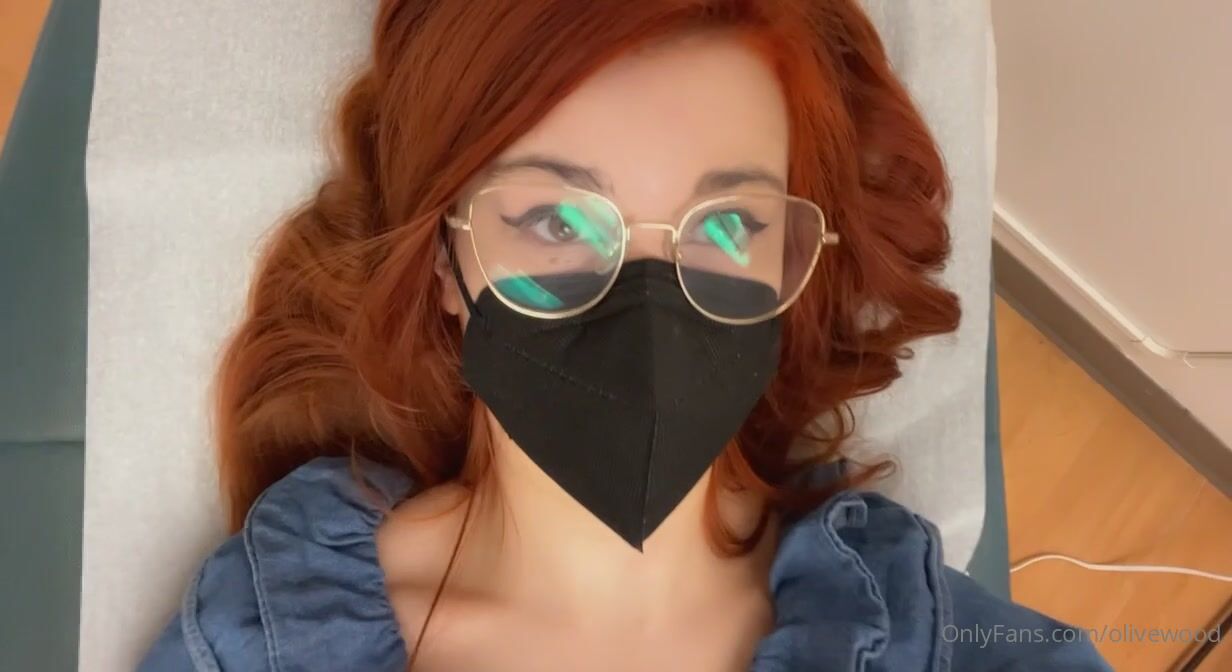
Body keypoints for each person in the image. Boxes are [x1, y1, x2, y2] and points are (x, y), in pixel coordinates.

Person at [138, 1, 1111, 670]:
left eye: (727, 227)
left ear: (793, 268)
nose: (647, 312)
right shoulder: (261, 646)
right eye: (555, 221)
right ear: (444, 261)